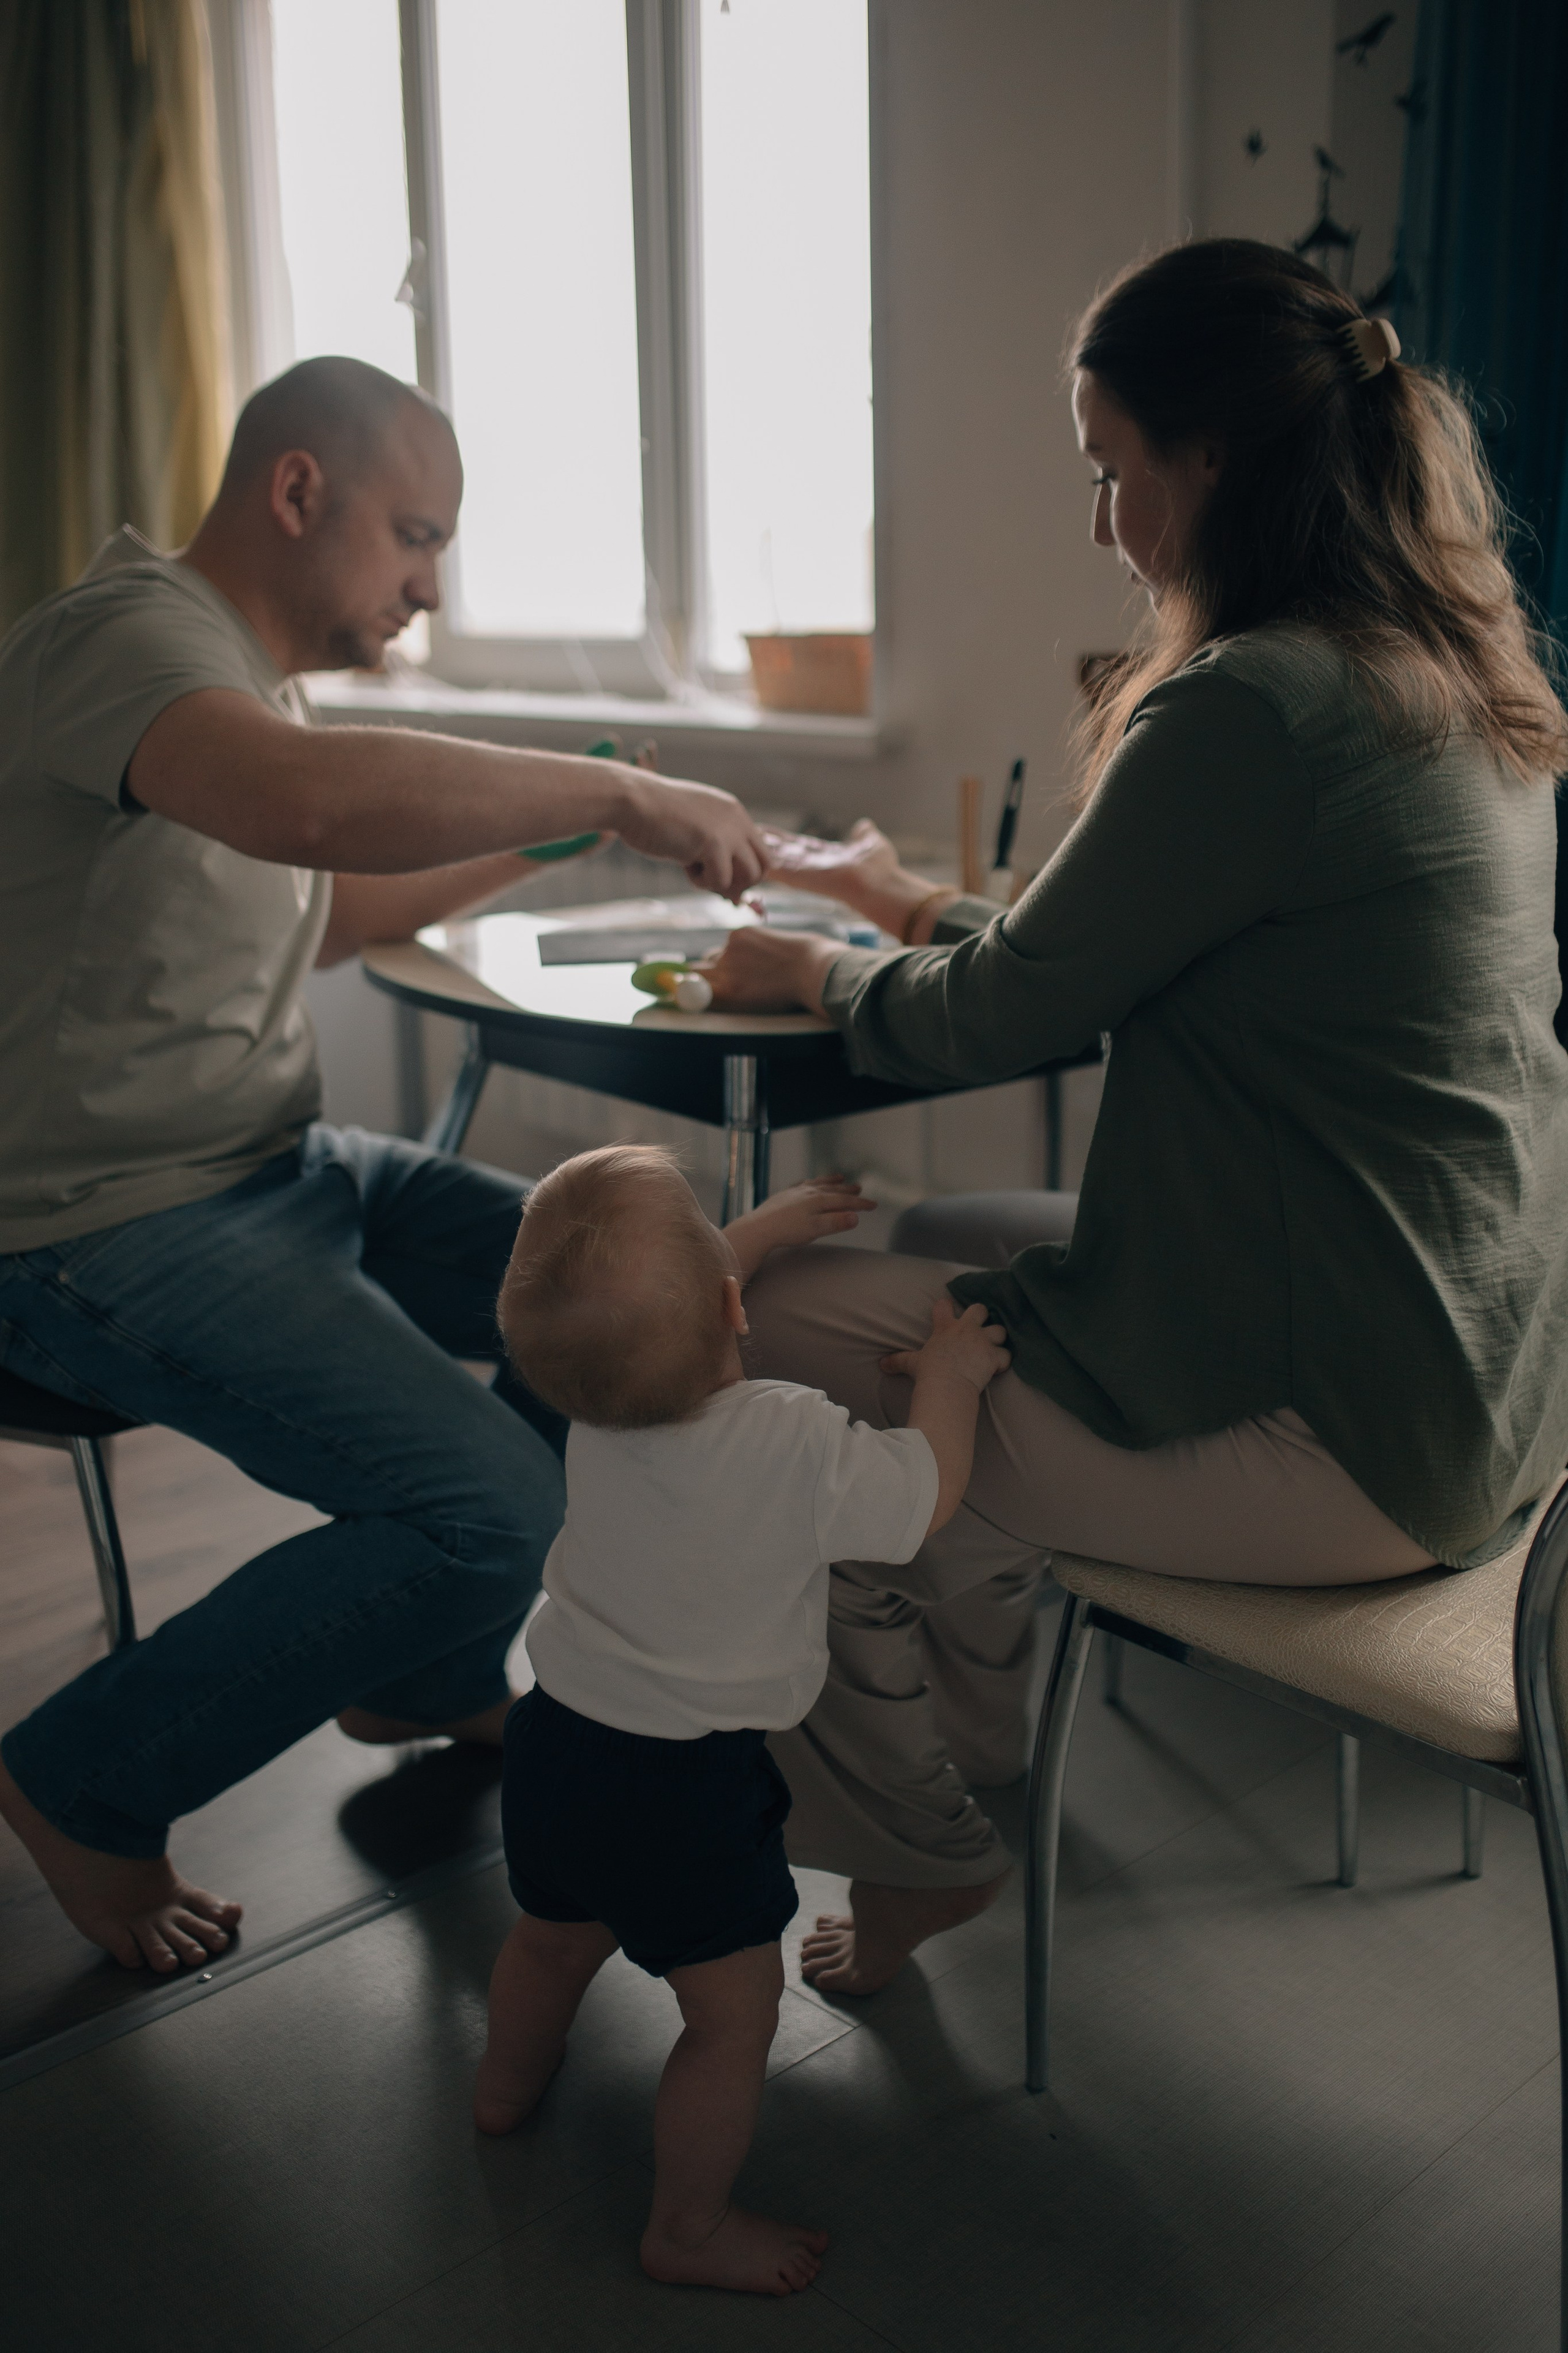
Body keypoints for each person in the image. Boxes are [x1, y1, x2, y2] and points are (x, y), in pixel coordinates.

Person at [701, 238, 1568, 1996]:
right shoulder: (1441, 684)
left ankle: (914, 1838)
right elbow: (1111, 948)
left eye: (1113, 470)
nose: (1106, 521)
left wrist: (810, 978)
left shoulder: (1253, 702)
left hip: (1338, 1443)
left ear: (1213, 462)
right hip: (1475, 1393)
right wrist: (902, 909)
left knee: (761, 1335)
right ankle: (985, 1728)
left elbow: (1016, 1008)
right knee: (947, 1243)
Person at [0, 356, 768, 1974]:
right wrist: (621, 788)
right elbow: (305, 817)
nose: (431, 582)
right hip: (98, 1225)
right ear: (298, 493)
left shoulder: (239, 687)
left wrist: (565, 838)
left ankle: (419, 1675)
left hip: (275, 1167)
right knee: (491, 1514)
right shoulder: (126, 643)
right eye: (414, 535)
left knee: (644, 1284)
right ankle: (86, 1777)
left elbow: (324, 907)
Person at [475, 1146, 1009, 2295]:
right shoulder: (791, 1435)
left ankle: (502, 2089)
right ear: (733, 1308)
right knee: (731, 2019)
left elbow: (667, 1300)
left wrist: (761, 1231)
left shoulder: (591, 1401)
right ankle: (690, 2224)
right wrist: (951, 1377)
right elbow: (922, 1500)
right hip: (684, 1790)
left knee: (550, 1936)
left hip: (556, 1739)